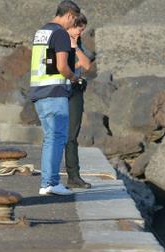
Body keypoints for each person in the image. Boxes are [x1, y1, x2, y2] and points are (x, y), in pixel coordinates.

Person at [29, 1, 82, 196]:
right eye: (74, 20)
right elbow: (60, 66)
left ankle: (47, 183)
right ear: (69, 15)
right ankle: (50, 182)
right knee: (57, 138)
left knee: (50, 138)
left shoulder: (42, 32)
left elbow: (48, 62)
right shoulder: (60, 33)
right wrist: (73, 77)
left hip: (39, 92)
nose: (73, 24)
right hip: (54, 93)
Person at [64, 14, 95, 189]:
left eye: (82, 31)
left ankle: (73, 175)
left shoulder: (77, 42)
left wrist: (75, 46)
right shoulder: (57, 39)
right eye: (78, 29)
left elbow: (86, 64)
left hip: (75, 91)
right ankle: (49, 178)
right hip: (58, 90)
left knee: (71, 135)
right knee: (54, 137)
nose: (79, 33)